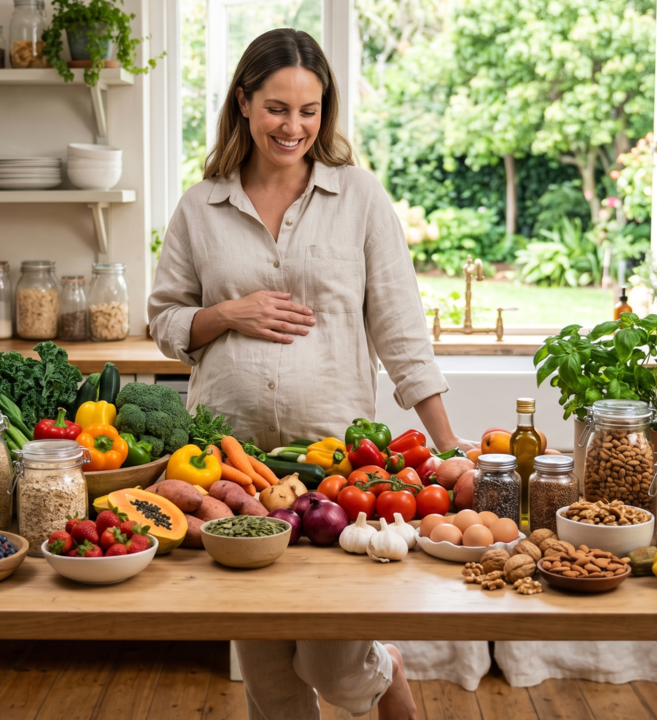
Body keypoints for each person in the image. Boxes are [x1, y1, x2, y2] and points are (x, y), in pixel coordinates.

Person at [149, 27, 475, 720]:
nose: (292, 126)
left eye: (309, 109)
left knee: (338, 664)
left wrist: (447, 444)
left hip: (338, 468)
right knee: (269, 679)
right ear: (243, 102)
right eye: (276, 108)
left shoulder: (358, 197)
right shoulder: (200, 206)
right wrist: (227, 313)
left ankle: (386, 669)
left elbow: (400, 330)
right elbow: (166, 321)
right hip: (234, 472)